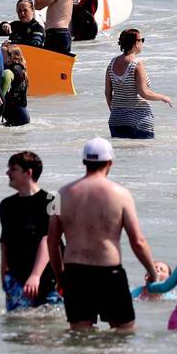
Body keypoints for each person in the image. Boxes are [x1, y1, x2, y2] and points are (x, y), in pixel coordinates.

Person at [46, 137, 159, 330]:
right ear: (110, 162)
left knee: (80, 335)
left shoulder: (60, 194)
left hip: (75, 273)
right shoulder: (121, 194)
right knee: (123, 334)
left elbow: (52, 242)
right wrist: (152, 272)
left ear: (84, 161)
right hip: (109, 273)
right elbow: (137, 241)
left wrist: (60, 277)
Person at [0, 151, 59, 312]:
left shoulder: (51, 200)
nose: (7, 173)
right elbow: (5, 241)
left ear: (28, 173)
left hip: (48, 278)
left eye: (13, 169)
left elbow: (48, 240)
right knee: (18, 329)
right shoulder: (6, 205)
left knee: (50, 328)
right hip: (17, 278)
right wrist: (4, 275)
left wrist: (35, 276)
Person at [105, 28, 171, 139]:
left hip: (116, 120)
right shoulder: (136, 64)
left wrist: (116, 111)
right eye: (142, 40)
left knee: (122, 155)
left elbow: (107, 93)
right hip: (138, 120)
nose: (142, 43)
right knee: (141, 155)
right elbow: (144, 93)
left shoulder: (112, 63)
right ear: (136, 43)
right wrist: (163, 97)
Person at [0, 43, 29, 127]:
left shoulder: (11, 71)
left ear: (13, 56)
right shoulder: (21, 68)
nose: (3, 57)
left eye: (5, 55)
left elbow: (3, 93)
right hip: (22, 114)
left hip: (17, 115)